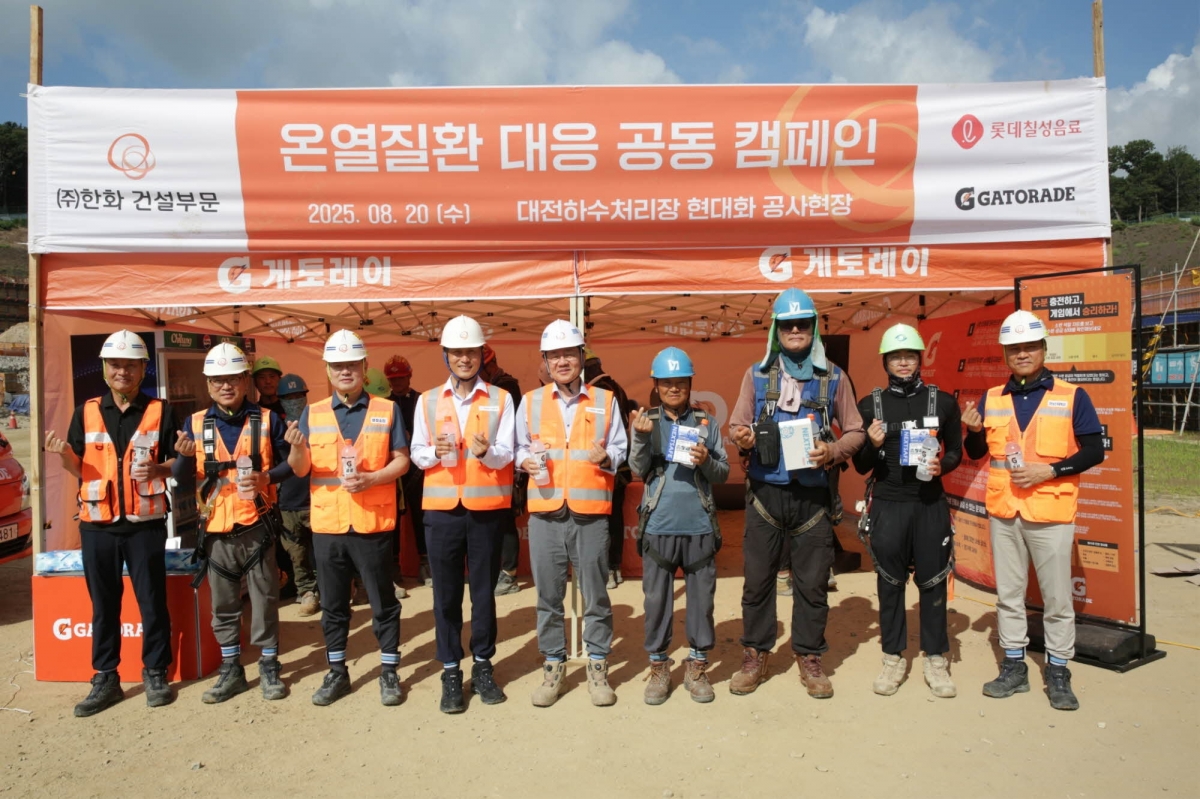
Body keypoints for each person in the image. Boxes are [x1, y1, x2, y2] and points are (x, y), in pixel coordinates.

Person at [963, 309, 1104, 711]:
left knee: (1057, 598)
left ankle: (1058, 670)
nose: (1022, 354)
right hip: (1005, 511)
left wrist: (1051, 470)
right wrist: (973, 431)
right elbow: (976, 452)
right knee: (1009, 594)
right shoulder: (993, 397)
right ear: (1005, 354)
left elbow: (1094, 450)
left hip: (1050, 512)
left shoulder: (1072, 395)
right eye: (1014, 348)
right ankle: (1014, 666)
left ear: (1043, 348)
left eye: (1029, 346)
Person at [727, 288, 865, 699]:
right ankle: (755, 654)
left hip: (812, 500)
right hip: (765, 496)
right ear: (776, 330)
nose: (795, 330)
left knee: (812, 584)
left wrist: (833, 452)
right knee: (757, 583)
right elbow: (735, 425)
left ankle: (809, 655)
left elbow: (856, 430)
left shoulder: (833, 377)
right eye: (787, 324)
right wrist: (743, 437)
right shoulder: (756, 375)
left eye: (802, 323)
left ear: (813, 327)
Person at [45, 330, 180, 717]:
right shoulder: (85, 412)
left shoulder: (161, 411)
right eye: (116, 365)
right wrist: (63, 455)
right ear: (105, 369)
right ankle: (105, 677)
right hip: (98, 525)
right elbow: (79, 468)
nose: (123, 372)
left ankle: (156, 672)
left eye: (131, 365)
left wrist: (160, 469)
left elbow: (181, 462)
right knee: (104, 605)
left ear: (143, 368)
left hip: (145, 524)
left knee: (152, 602)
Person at [176, 342, 305, 704]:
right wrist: (182, 458)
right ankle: (231, 669)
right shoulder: (195, 423)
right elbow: (182, 477)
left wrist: (267, 478)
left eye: (233, 378)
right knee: (223, 604)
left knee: (265, 599)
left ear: (245, 381)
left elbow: (292, 465)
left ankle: (269, 665)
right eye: (218, 380)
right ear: (208, 384)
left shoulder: (268, 419)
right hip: (215, 530)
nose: (226, 385)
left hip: (256, 526)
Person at [294, 329, 410, 707]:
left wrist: (373, 479)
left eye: (352, 365)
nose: (345, 371)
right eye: (337, 365)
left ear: (364, 367)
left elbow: (402, 460)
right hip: (328, 525)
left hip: (371, 523)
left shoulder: (386, 410)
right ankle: (337, 672)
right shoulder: (313, 413)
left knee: (382, 601)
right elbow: (301, 469)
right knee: (333, 605)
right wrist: (295, 449)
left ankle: (389, 670)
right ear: (328, 371)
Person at [517, 320, 628, 708]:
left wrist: (608, 457)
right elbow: (518, 447)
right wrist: (524, 461)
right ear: (545, 362)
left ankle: (597, 666)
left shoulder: (605, 400)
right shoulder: (531, 401)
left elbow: (621, 448)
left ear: (582, 357)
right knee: (548, 597)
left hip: (590, 513)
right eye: (554, 356)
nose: (562, 361)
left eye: (569, 354)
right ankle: (553, 666)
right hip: (546, 512)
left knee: (595, 595)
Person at [410, 317, 515, 713]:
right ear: (446, 356)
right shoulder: (427, 400)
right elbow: (417, 452)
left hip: (486, 509)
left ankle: (483, 665)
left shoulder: (501, 399)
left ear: (481, 355)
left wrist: (488, 452)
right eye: (457, 352)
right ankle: (451, 670)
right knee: (446, 595)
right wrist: (433, 453)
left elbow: (509, 453)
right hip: (441, 512)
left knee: (483, 593)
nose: (464, 359)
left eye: (471, 352)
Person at [852, 324, 962, 699]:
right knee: (890, 582)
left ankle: (935, 658)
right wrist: (871, 444)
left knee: (933, 583)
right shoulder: (870, 406)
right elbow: (860, 466)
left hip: (929, 506)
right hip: (888, 505)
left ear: (919, 359)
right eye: (896, 357)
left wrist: (943, 466)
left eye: (909, 356)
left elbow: (956, 451)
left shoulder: (943, 402)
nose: (903, 363)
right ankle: (892, 656)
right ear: (885, 361)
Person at [628, 347, 729, 705]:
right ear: (656, 385)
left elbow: (723, 472)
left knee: (702, 602)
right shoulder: (647, 421)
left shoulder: (706, 423)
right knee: (656, 601)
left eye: (681, 382)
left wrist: (706, 461)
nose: (674, 388)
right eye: (667, 383)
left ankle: (697, 666)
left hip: (699, 525)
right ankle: (658, 666)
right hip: (659, 525)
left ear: (689, 384)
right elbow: (638, 469)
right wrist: (641, 438)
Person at [583, 347, 634, 590]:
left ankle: (607, 568)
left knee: (603, 520)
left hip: (604, 466)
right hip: (619, 466)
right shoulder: (616, 387)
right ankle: (614, 567)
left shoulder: (599, 392)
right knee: (614, 518)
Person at [481, 343, 526, 597]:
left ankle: (509, 573)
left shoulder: (506, 387)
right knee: (496, 519)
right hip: (488, 461)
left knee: (506, 519)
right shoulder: (495, 385)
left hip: (505, 460)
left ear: (489, 366)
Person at [385, 354, 430, 587]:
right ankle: (392, 569)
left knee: (423, 518)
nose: (397, 382)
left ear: (409, 376)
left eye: (401, 377)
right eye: (393, 379)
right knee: (391, 519)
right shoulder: (384, 405)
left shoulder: (422, 401)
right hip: (393, 470)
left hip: (419, 470)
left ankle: (426, 565)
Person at [276, 373, 319, 617]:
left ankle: (330, 590)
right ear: (280, 400)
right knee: (297, 553)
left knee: (324, 552)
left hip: (317, 498)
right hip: (288, 501)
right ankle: (306, 593)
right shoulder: (274, 425)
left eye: (298, 396)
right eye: (288, 397)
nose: (294, 401)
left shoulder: (318, 419)